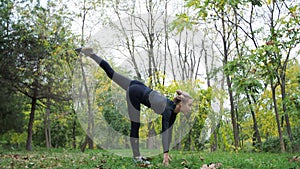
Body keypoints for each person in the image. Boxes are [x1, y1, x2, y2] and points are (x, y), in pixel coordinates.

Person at [77, 47, 193, 166]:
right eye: (189, 105)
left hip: (138, 86)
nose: (190, 108)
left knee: (111, 73)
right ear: (181, 104)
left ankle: (91, 54)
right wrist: (165, 156)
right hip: (135, 92)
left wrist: (167, 154)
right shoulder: (168, 110)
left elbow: (168, 132)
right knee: (135, 125)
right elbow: (164, 132)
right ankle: (137, 157)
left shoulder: (172, 110)